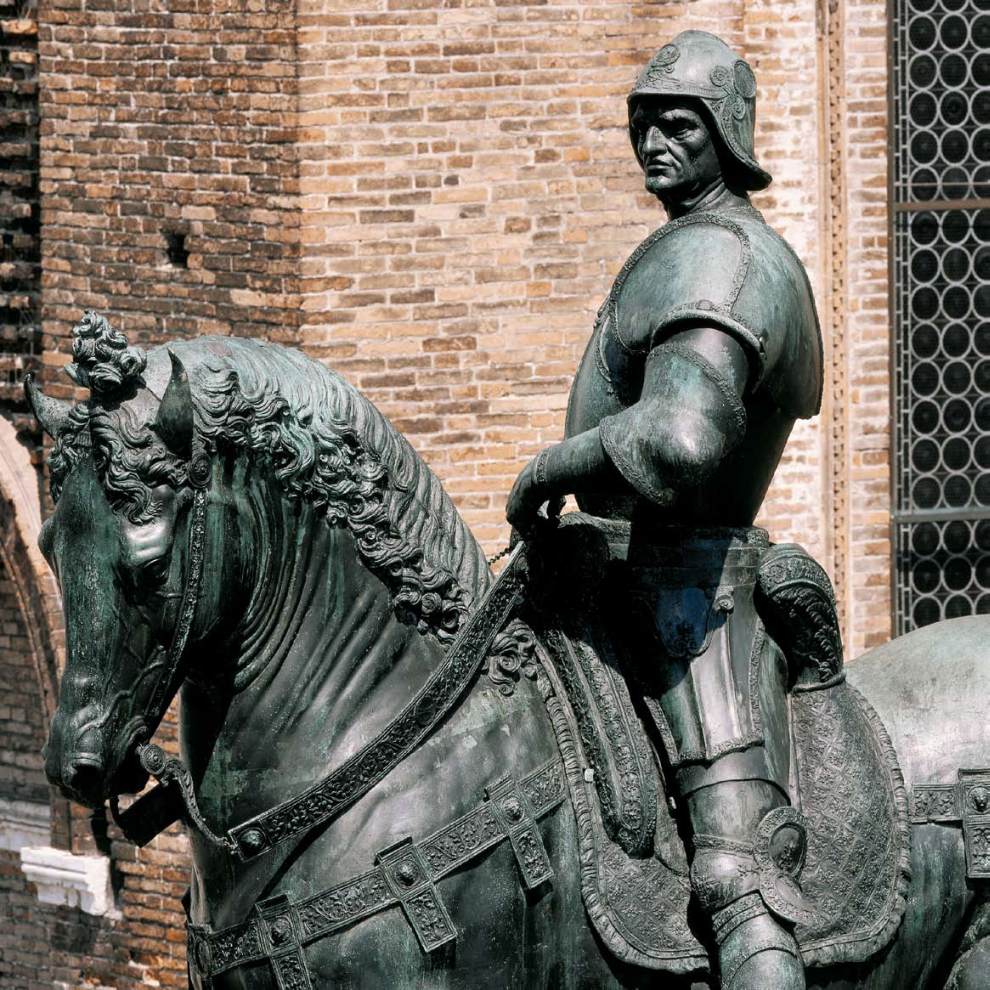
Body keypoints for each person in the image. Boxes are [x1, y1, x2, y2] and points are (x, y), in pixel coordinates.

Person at [506, 30, 823, 990]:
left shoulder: (721, 263)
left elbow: (681, 443)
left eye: (679, 125)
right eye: (644, 126)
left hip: (694, 602)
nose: (654, 145)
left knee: (739, 875)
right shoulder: (682, 246)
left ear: (726, 135)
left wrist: (548, 466)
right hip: (603, 578)